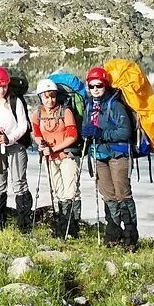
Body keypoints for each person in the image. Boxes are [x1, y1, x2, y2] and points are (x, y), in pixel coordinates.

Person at [78, 67, 139, 250]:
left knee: (122, 194)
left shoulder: (116, 105)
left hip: (117, 154)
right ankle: (113, 232)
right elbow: (86, 128)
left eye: (99, 85)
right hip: (99, 154)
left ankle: (130, 235)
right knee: (108, 195)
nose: (95, 89)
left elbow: (125, 131)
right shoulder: (90, 105)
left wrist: (101, 133)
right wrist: (86, 133)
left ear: (105, 85)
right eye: (92, 86)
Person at [0, 66, 33, 232]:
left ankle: (24, 224)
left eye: (4, 86)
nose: (1, 90)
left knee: (19, 182)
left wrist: (10, 138)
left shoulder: (15, 101)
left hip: (15, 145)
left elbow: (23, 125)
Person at [30, 78, 82, 238]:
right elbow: (36, 133)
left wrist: (53, 148)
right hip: (50, 158)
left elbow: (72, 136)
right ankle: (63, 224)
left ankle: (72, 227)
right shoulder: (37, 114)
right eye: (46, 96)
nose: (50, 100)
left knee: (71, 191)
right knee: (58, 190)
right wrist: (42, 145)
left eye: (52, 96)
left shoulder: (65, 111)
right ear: (40, 97)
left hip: (67, 156)